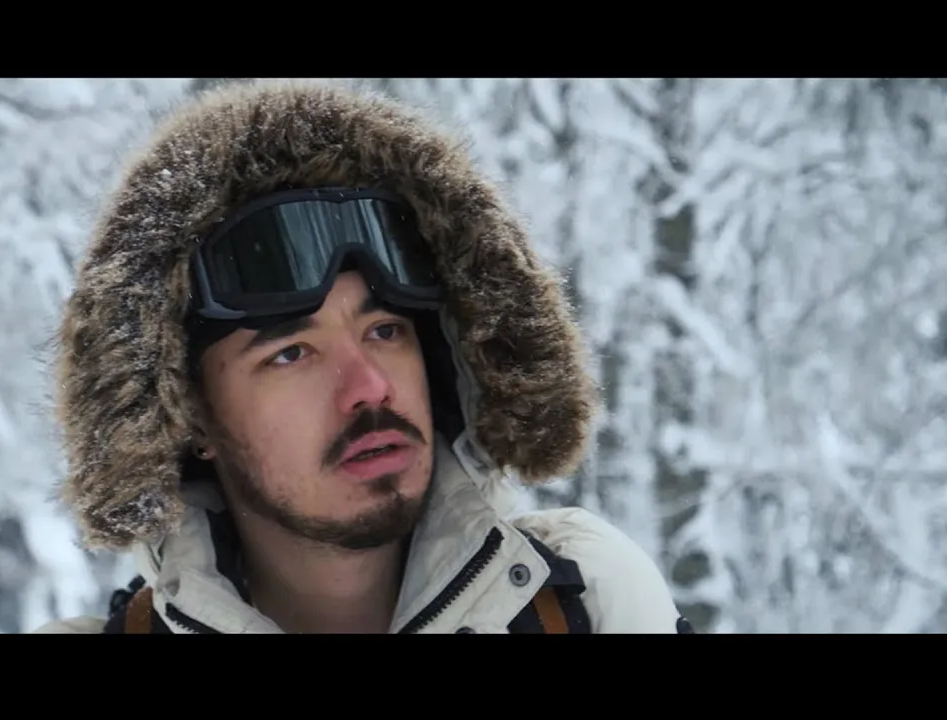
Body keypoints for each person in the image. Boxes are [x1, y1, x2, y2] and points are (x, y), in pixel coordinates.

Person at [35, 80, 693, 634]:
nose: (369, 386)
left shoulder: (588, 604)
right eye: (292, 353)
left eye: (385, 331)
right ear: (191, 416)